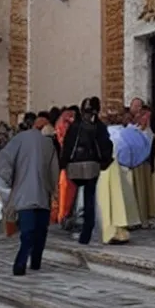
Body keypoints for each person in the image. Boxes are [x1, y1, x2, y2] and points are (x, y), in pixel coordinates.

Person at [0, 119, 59, 275]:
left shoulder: (19, 140)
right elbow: (53, 171)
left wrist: (9, 181)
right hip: (42, 196)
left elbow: (3, 160)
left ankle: (20, 264)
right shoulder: (48, 144)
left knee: (27, 233)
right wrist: (53, 191)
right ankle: (35, 262)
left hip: (24, 195)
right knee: (40, 232)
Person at [61, 98, 113, 244]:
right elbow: (106, 146)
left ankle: (75, 225)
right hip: (92, 165)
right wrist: (105, 161)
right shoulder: (99, 127)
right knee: (89, 198)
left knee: (76, 196)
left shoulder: (75, 126)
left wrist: (64, 163)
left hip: (75, 165)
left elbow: (67, 145)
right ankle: (86, 232)